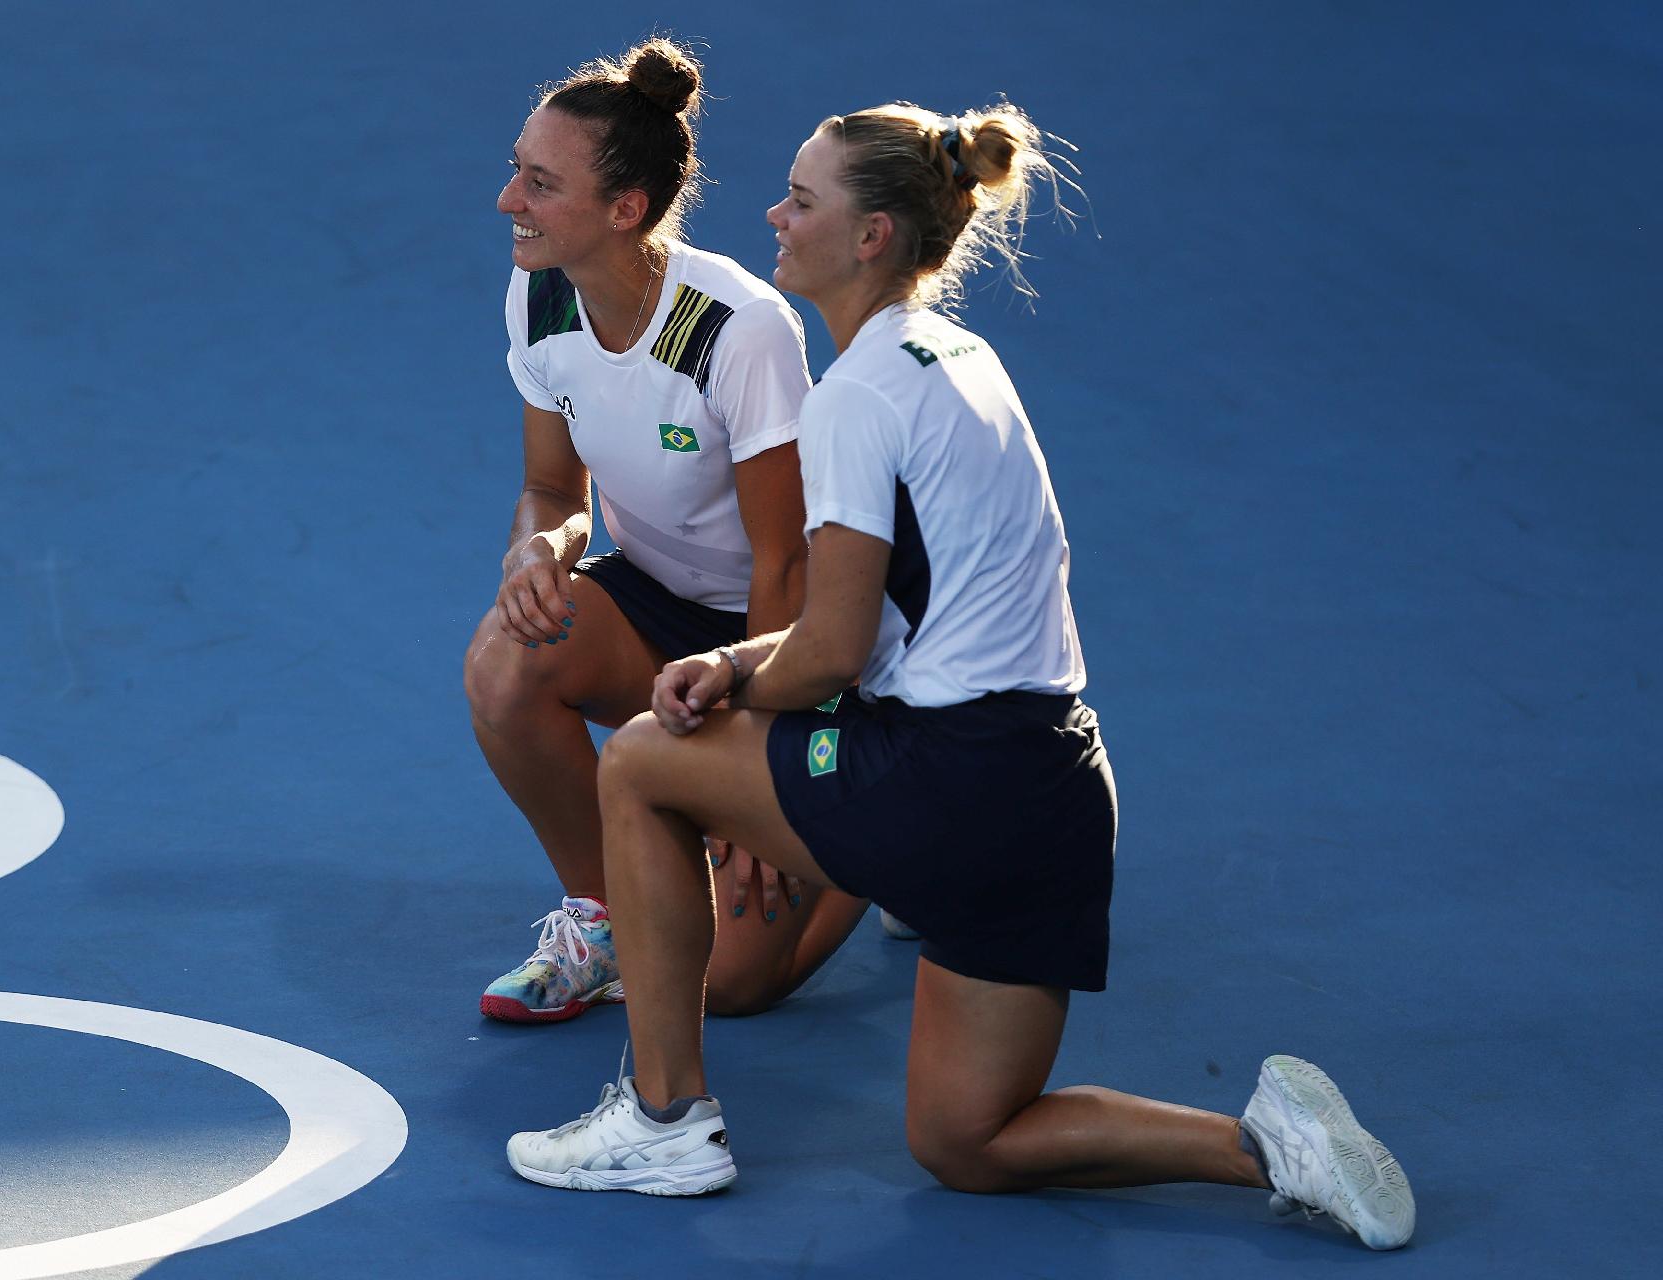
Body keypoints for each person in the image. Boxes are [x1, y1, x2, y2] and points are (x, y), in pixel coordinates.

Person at [503, 99, 1417, 1251]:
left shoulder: (853, 398)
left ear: (872, 234)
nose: (775, 216)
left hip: (946, 782)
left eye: (802, 199)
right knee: (966, 1138)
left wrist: (723, 688)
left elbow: (830, 652)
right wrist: (738, 662)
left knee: (640, 759)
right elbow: (897, 613)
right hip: (1058, 795)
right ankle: (1264, 1142)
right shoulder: (966, 360)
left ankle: (664, 1118)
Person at [467, 38, 870, 1024]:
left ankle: (878, 845)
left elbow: (785, 562)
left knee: (726, 984)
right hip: (658, 601)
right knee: (506, 662)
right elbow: (550, 485)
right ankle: (604, 915)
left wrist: (757, 766)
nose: (506, 200)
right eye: (516, 169)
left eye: (537, 181)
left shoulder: (738, 328)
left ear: (625, 209)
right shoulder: (542, 290)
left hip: (790, 639)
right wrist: (541, 546)